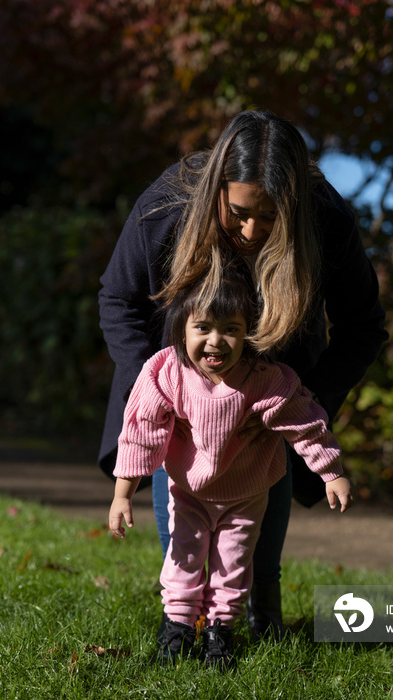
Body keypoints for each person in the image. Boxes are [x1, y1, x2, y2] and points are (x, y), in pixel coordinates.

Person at [98, 109, 388, 640]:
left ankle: (262, 615)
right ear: (216, 192)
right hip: (178, 408)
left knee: (253, 530)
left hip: (272, 398)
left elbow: (363, 326)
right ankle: (184, 622)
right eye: (239, 213)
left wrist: (296, 403)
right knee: (184, 533)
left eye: (273, 217)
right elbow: (118, 300)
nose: (253, 231)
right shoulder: (168, 206)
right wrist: (163, 389)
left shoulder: (326, 218)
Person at [108, 268, 354, 668]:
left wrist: (332, 471)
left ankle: (219, 633)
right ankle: (178, 627)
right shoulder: (167, 372)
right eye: (202, 327)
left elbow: (304, 422)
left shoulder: (264, 379)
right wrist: (122, 493)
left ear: (249, 334)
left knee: (232, 564)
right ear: (182, 329)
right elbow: (141, 431)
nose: (215, 341)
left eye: (231, 329)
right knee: (183, 558)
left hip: (245, 496)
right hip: (188, 492)